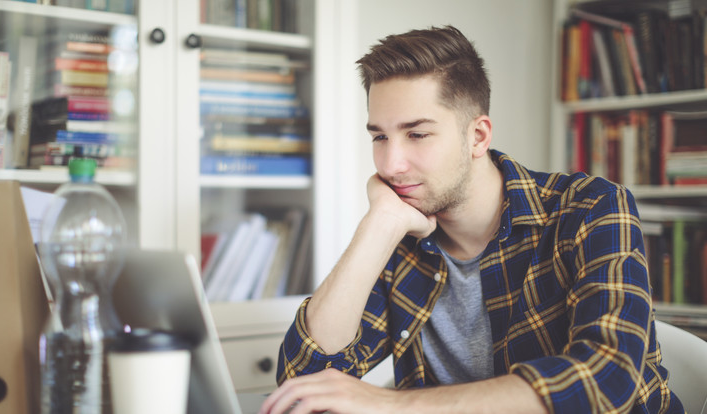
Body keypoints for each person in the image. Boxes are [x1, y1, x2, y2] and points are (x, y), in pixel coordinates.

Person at [259, 25, 684, 414]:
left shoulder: (590, 208)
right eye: (379, 137)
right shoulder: (401, 230)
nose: (391, 163)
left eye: (418, 134)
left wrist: (392, 405)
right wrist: (379, 223)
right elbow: (302, 381)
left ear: (477, 136)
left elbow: (605, 380)